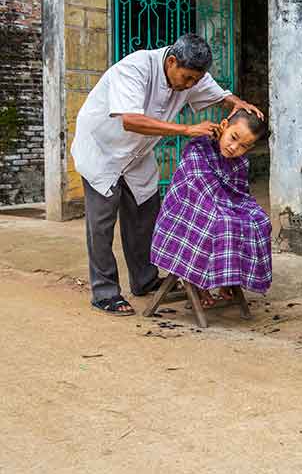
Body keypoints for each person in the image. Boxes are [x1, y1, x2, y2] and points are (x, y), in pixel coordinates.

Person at [71, 33, 263, 316]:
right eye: (186, 79)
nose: (190, 86)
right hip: (102, 151)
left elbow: (222, 97)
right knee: (101, 224)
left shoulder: (192, 75)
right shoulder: (136, 68)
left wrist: (239, 104)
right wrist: (187, 129)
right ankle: (105, 292)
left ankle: (145, 280)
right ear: (171, 61)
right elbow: (130, 120)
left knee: (144, 217)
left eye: (195, 81)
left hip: (137, 157)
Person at [150, 110, 272, 306]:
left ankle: (230, 279)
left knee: (259, 221)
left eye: (244, 146)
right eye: (233, 138)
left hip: (221, 205)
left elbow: (240, 193)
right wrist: (226, 210)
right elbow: (198, 189)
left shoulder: (241, 162)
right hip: (186, 209)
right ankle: (199, 284)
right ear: (224, 125)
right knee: (222, 224)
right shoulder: (197, 149)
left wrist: (236, 210)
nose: (234, 148)